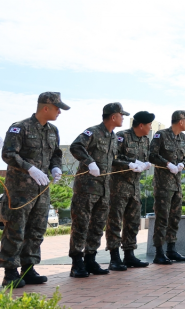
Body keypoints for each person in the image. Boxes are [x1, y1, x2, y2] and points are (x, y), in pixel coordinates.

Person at [0, 93, 69, 288]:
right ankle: (11, 273)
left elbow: (56, 154)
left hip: (42, 190)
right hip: (20, 191)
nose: (59, 112)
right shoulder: (19, 127)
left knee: (36, 231)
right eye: (57, 108)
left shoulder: (53, 130)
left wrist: (56, 168)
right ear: (45, 107)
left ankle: (29, 270)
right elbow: (8, 154)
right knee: (15, 230)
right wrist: (29, 167)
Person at [69, 102, 129, 278]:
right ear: (113, 116)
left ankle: (90, 259)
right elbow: (75, 146)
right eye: (121, 115)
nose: (123, 118)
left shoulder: (114, 137)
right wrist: (90, 162)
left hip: (104, 190)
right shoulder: (93, 132)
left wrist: (131, 164)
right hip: (86, 188)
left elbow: (115, 159)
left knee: (97, 226)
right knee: (81, 225)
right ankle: (77, 263)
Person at [105, 111, 154, 271]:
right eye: (149, 125)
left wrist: (145, 164)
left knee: (133, 222)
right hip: (118, 187)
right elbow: (112, 157)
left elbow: (146, 158)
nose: (150, 127)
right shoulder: (122, 136)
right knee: (115, 221)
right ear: (141, 125)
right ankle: (114, 257)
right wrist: (130, 163)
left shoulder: (145, 140)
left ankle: (129, 255)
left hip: (135, 187)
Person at [149, 110, 185, 264]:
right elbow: (151, 155)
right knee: (162, 218)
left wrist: (182, 163)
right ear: (180, 121)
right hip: (163, 185)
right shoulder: (161, 135)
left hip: (176, 185)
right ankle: (159, 252)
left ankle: (171, 249)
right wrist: (167, 164)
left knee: (175, 217)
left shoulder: (183, 137)